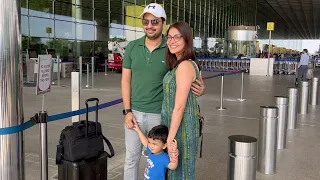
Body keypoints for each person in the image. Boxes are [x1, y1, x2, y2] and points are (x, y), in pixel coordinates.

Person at [121, 3, 205, 180]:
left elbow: (189, 74)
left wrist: (200, 88)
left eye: (154, 21)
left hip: (160, 115)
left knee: (165, 161)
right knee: (131, 158)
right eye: (146, 21)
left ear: (163, 23)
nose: (150, 25)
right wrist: (127, 111)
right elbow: (125, 80)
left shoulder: (170, 51)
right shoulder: (134, 47)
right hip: (135, 112)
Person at [161, 21, 201, 180]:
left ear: (187, 40)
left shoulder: (184, 66)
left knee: (182, 171)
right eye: (169, 37)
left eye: (177, 37)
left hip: (182, 128)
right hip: (174, 126)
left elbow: (179, 107)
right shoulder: (179, 64)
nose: (172, 41)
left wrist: (170, 138)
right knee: (175, 170)